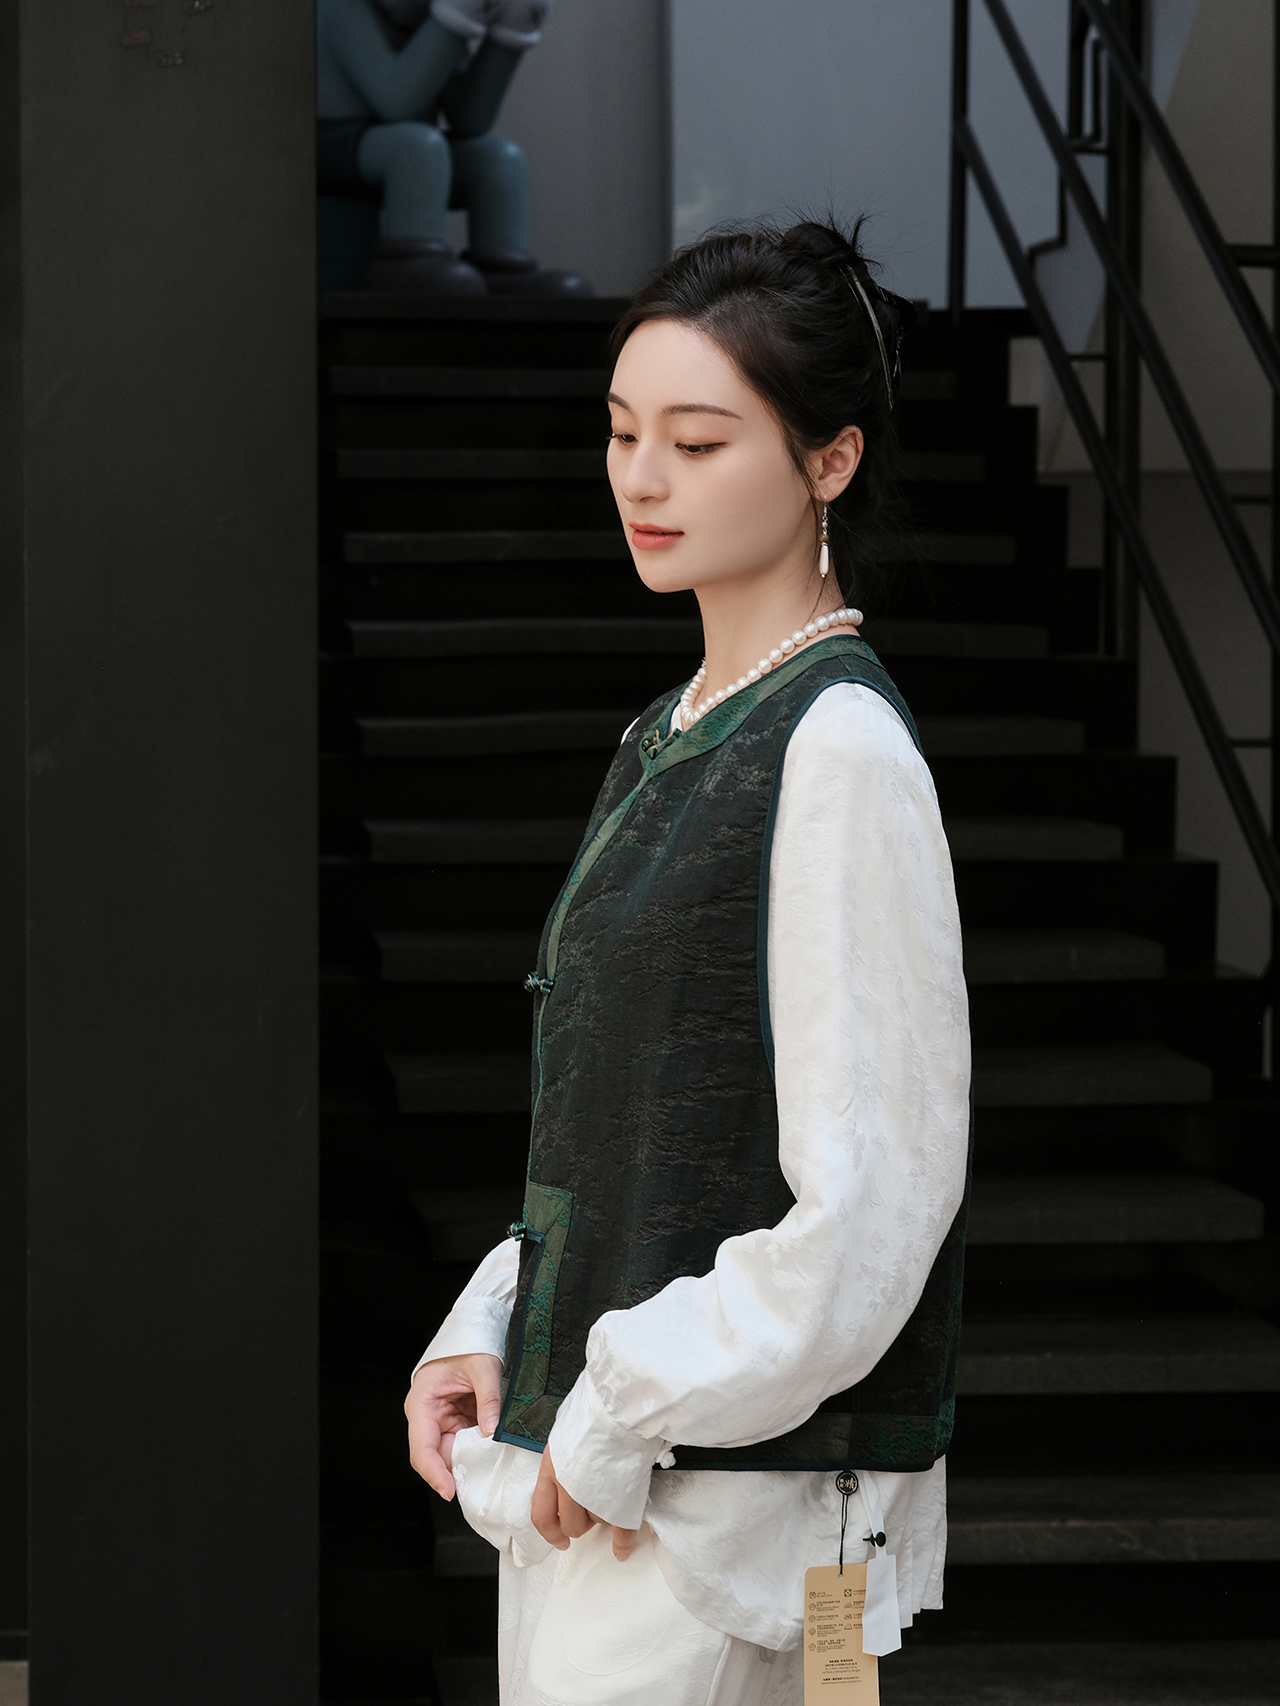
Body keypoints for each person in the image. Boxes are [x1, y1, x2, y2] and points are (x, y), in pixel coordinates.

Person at [404, 219, 972, 1705]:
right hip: (613, 1483)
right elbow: (626, 1120)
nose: (641, 477)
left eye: (699, 441)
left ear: (829, 459)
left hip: (720, 1515)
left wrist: (611, 1411)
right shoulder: (673, 731)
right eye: (622, 431)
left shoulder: (838, 747)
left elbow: (869, 1210)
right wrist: (493, 1325)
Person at [317, 0, 590, 294]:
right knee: (418, 149)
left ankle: (503, 270)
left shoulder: (420, 16)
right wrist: (458, 16)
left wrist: (513, 31)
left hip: (397, 148)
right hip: (333, 143)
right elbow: (396, 103)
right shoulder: (338, 8)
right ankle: (411, 262)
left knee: (498, 159)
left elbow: (469, 118)